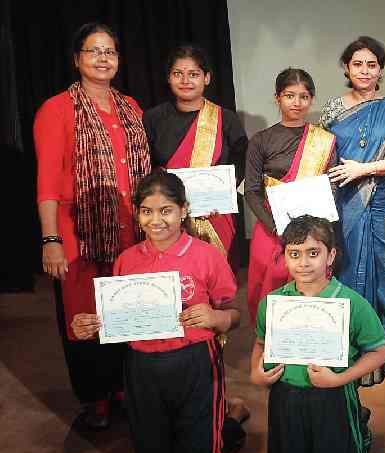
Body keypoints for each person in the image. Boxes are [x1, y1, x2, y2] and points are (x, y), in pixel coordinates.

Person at [71, 170, 248, 453]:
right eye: (146, 211)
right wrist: (92, 325)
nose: (156, 220)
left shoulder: (207, 256)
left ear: (183, 210)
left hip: (195, 362)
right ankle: (209, 425)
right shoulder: (126, 261)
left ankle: (231, 420)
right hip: (142, 366)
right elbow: (117, 319)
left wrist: (217, 319)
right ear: (138, 213)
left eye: (166, 210)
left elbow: (234, 315)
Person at [35, 22, 152, 430]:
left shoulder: (131, 107)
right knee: (85, 314)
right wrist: (50, 239)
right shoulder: (56, 109)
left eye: (110, 52)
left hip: (131, 230)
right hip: (79, 232)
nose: (103, 59)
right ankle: (95, 398)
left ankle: (125, 388)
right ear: (77, 59)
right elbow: (48, 182)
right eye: (93, 51)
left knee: (126, 308)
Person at [250, 215, 385, 453]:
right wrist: (256, 372)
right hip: (285, 398)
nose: (304, 263)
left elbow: (379, 353)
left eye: (314, 253)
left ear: (331, 255)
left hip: (334, 397)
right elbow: (260, 344)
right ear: (284, 257)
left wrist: (340, 378)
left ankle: (358, 430)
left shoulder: (352, 303)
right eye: (294, 254)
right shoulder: (273, 303)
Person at [319, 36, 385, 382]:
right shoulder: (333, 111)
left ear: (381, 69)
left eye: (372, 64)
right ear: (347, 68)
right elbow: (320, 156)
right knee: (347, 271)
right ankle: (352, 349)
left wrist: (363, 169)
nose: (365, 71)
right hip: (346, 204)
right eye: (358, 64)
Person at [245, 68, 336, 325]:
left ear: (312, 99)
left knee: (312, 282)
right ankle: (271, 340)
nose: (297, 103)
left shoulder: (324, 140)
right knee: (267, 287)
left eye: (304, 97)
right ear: (278, 98)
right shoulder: (261, 140)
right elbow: (251, 190)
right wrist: (275, 226)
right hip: (271, 227)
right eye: (289, 96)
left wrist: (320, 226)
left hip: (314, 227)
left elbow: (332, 186)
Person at [143, 44, 248, 259]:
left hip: (215, 215)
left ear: (206, 78)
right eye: (178, 74)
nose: (185, 81)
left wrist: (218, 197)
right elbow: (146, 165)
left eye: (193, 74)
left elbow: (241, 161)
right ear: (169, 78)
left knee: (215, 280)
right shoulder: (153, 118)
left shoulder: (225, 119)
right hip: (167, 214)